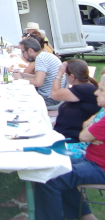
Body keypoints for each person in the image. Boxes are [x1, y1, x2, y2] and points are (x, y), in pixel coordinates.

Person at [19, 82, 105, 220]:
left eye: (101, 90)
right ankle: (86, 216)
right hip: (92, 160)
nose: (96, 93)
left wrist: (90, 130)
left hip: (100, 167)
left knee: (49, 177)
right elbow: (86, 130)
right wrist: (90, 129)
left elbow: (83, 136)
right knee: (51, 165)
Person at [50, 60, 100, 140]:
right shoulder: (83, 88)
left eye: (66, 74)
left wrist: (59, 74)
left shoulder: (84, 88)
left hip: (71, 139)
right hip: (63, 134)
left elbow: (55, 94)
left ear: (72, 77)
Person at [13, 36, 62, 106]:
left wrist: (20, 79)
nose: (22, 55)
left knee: (17, 100)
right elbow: (38, 77)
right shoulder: (44, 55)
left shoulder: (40, 59)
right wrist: (22, 74)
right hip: (53, 96)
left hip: (49, 99)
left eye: (23, 52)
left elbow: (38, 82)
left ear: (30, 50)